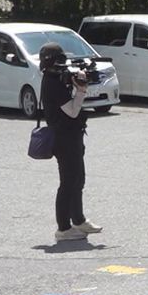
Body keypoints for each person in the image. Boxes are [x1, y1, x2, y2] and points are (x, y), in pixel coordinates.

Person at [39, 43, 101, 242]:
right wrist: (81, 90)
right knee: (67, 182)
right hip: (62, 138)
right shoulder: (52, 83)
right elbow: (72, 111)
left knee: (78, 179)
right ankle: (63, 228)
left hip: (72, 136)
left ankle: (78, 219)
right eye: (60, 61)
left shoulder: (57, 78)